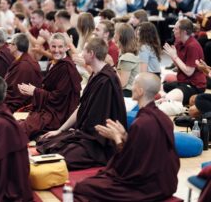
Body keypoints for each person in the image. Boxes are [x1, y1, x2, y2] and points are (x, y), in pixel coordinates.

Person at [74, 72, 180, 202]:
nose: (132, 88)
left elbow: (128, 167)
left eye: (134, 84)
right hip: (167, 183)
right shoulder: (164, 118)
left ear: (140, 91)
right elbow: (144, 151)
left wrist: (117, 139)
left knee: (83, 187)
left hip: (145, 187)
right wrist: (125, 136)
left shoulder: (141, 123)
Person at [37, 37, 127, 170]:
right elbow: (82, 107)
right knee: (47, 142)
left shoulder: (106, 80)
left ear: (91, 54)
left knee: (62, 157)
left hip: (98, 141)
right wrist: (60, 130)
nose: (80, 54)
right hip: (85, 133)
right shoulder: (95, 75)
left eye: (83, 51)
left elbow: (99, 119)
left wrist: (77, 133)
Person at [18, 33, 82, 140]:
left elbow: (58, 97)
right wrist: (34, 91)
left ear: (67, 47)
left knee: (24, 128)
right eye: (53, 46)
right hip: (49, 108)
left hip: (58, 113)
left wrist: (35, 91)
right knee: (19, 124)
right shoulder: (52, 63)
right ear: (49, 47)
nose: (56, 50)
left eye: (60, 47)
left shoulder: (67, 67)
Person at [163, 19, 206, 105]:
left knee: (168, 98)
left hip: (195, 85)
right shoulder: (179, 43)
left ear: (184, 32)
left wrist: (175, 57)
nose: (173, 30)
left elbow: (189, 72)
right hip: (183, 81)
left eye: (175, 29)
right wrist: (173, 57)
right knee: (165, 86)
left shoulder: (192, 46)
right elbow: (179, 66)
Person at [5, 33, 42, 112]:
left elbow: (17, 94)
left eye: (10, 44)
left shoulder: (24, 66)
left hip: (23, 106)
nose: (8, 46)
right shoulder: (23, 60)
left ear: (15, 46)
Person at [115, 23, 140, 97]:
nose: (114, 35)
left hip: (128, 93)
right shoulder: (129, 54)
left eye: (115, 32)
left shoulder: (127, 57)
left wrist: (111, 67)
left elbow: (122, 84)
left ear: (119, 36)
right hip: (131, 91)